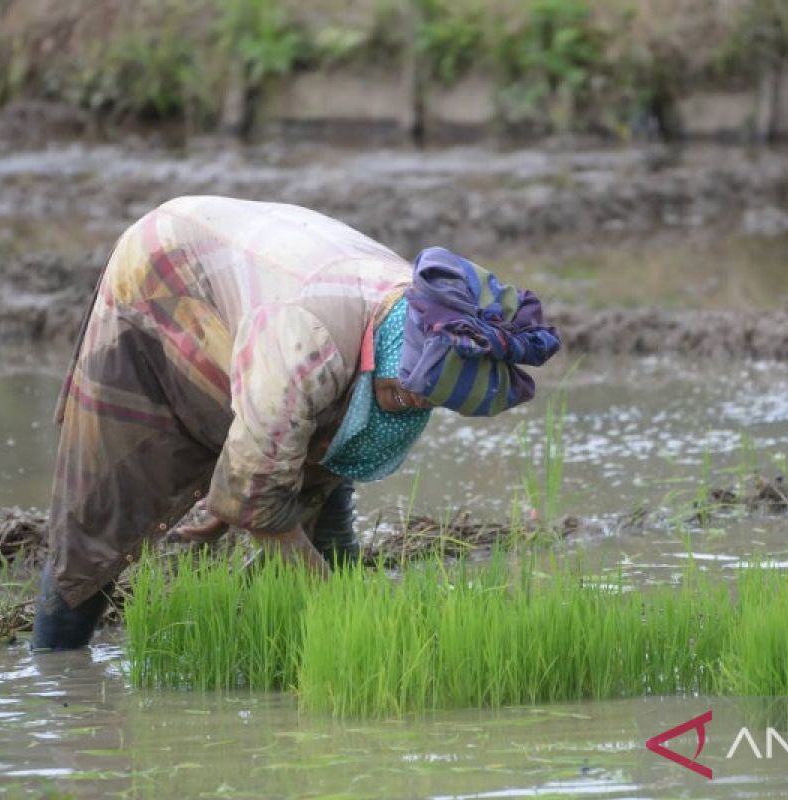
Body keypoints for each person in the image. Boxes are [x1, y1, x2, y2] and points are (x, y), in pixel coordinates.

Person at [31, 196, 560, 650]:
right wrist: (332, 599)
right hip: (163, 272)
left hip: (262, 292)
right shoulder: (308, 339)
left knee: (302, 466)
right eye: (401, 395)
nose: (408, 408)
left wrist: (246, 492)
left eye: (424, 403)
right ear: (385, 357)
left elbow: (323, 440)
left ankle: (298, 609)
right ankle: (57, 664)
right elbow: (259, 491)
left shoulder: (423, 317)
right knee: (105, 506)